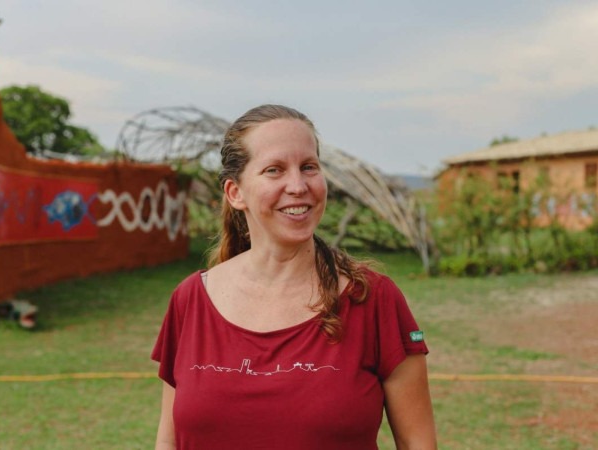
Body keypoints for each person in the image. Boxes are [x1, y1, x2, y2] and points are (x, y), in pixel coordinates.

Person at [152, 104, 437, 450]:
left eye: (309, 167)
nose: (298, 185)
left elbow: (419, 443)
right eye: (275, 170)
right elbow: (167, 442)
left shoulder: (373, 299)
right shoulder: (191, 300)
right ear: (235, 193)